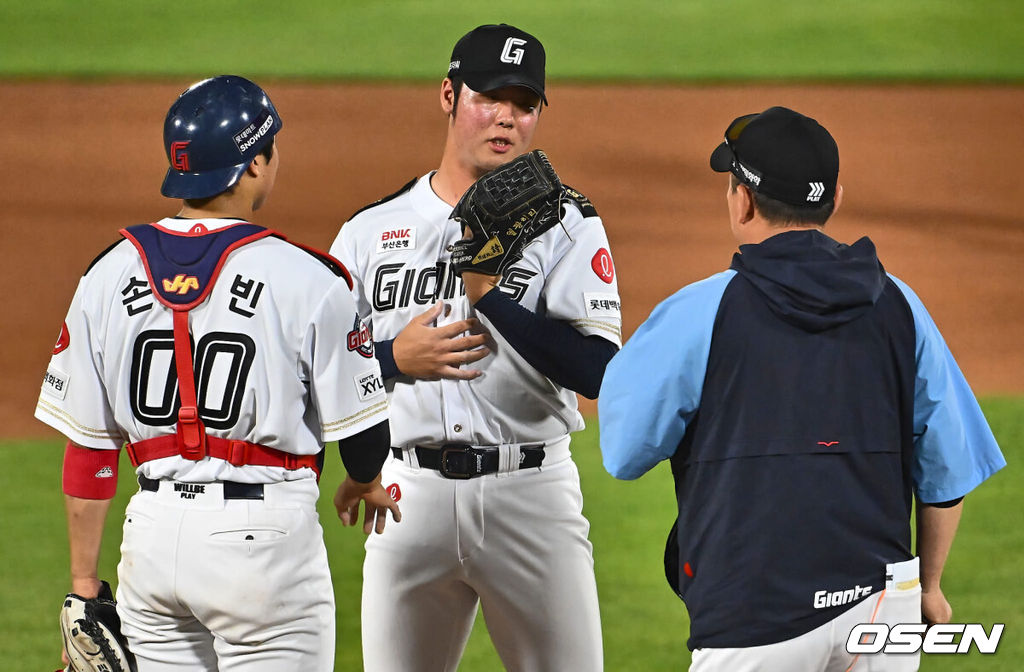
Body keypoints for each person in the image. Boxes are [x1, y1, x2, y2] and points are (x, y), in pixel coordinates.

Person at [598, 106, 1006, 671]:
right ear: (834, 198)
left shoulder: (701, 311)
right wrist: (928, 586)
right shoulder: (901, 305)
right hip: (881, 611)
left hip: (752, 611)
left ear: (742, 201)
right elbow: (946, 470)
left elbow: (623, 452)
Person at [36, 75, 399, 672]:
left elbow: (89, 451)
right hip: (263, 547)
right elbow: (364, 438)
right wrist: (363, 479)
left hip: (151, 541)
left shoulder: (104, 274)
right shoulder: (309, 277)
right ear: (254, 162)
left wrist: (84, 586)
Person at [330, 23, 619, 672]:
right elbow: (324, 375)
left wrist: (491, 297)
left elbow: (597, 370)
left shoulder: (567, 223)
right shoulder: (369, 231)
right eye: (490, 97)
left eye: (524, 104)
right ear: (449, 96)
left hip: (532, 496)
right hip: (409, 499)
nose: (507, 117)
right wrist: (391, 361)